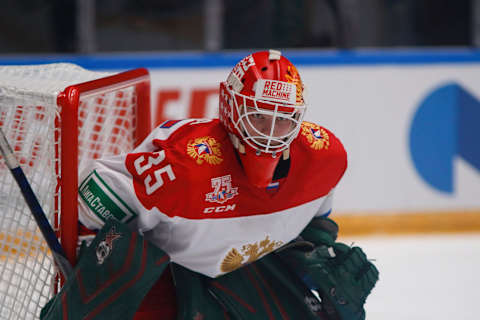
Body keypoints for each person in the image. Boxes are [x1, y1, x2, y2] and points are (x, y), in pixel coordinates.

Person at [41, 49, 378, 320]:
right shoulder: (187, 166)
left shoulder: (324, 157)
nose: (269, 132)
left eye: (283, 119)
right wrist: (100, 263)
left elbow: (314, 222)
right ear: (229, 106)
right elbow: (91, 196)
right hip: (171, 276)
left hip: (241, 271)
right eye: (258, 115)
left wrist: (313, 255)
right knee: (129, 262)